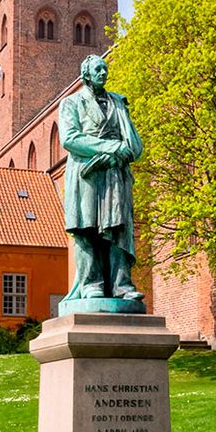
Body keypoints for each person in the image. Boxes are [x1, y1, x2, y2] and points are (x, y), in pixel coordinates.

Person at [59, 55, 144, 302]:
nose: (104, 73)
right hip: (87, 174)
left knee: (119, 228)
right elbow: (70, 138)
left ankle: (122, 285)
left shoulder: (118, 103)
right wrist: (109, 148)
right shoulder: (71, 103)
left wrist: (122, 151)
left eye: (105, 69)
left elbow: (133, 143)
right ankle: (91, 284)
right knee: (87, 230)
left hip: (115, 173)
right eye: (98, 69)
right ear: (86, 74)